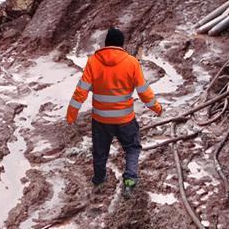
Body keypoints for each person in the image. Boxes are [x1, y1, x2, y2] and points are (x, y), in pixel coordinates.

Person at [66, 27, 162, 198]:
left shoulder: (93, 61)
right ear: (121, 44)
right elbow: (143, 91)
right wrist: (156, 108)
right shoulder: (131, 62)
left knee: (100, 151)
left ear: (106, 43)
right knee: (132, 148)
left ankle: (99, 179)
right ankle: (130, 181)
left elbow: (81, 90)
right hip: (125, 119)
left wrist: (72, 113)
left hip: (101, 119)